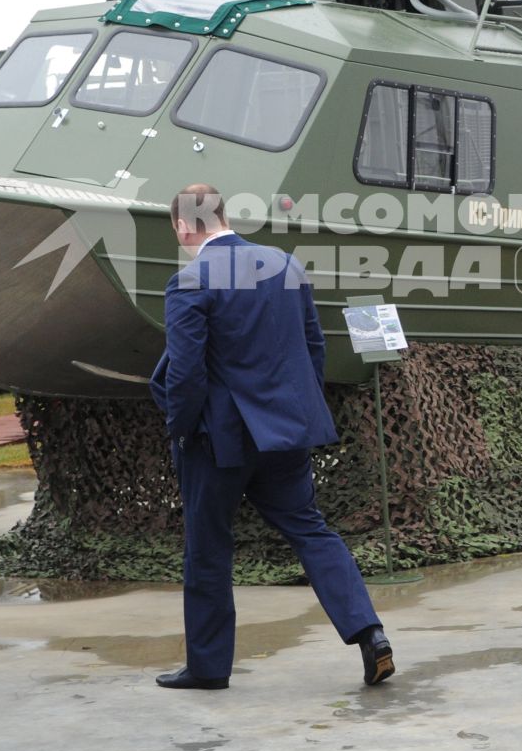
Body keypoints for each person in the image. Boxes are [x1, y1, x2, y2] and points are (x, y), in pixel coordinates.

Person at [149, 183, 393, 691]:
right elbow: (312, 345)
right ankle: (370, 634)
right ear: (221, 214)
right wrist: (297, 412)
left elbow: (185, 375)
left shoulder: (189, 280)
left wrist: (179, 430)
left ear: (182, 226)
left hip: (219, 441)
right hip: (285, 433)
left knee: (209, 549)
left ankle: (209, 668)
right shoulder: (283, 264)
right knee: (311, 530)